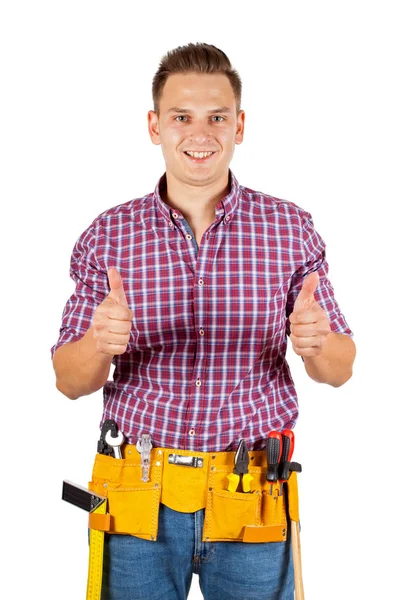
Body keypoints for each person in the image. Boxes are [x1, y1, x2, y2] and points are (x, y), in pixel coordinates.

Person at [51, 42, 356, 600]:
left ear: (239, 126)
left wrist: (316, 344)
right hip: (136, 493)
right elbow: (70, 381)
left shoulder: (290, 230)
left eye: (217, 117)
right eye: (181, 117)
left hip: (252, 492)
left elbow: (339, 369)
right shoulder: (108, 235)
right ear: (154, 125)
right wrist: (99, 342)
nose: (200, 133)